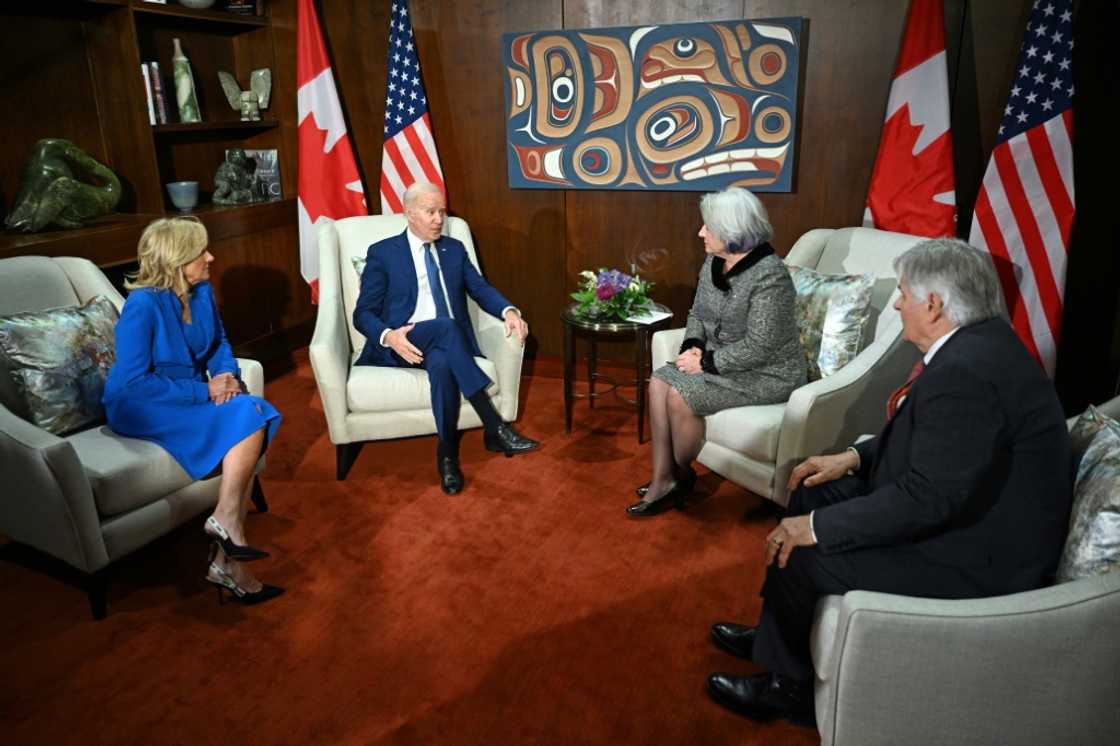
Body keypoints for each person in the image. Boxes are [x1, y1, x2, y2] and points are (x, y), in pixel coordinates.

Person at [705, 238, 1073, 724]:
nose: (898, 304)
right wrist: (853, 457)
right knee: (812, 488)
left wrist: (816, 528)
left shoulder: (967, 372)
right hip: (959, 512)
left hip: (974, 556)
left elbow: (928, 499)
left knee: (804, 552)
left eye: (903, 293)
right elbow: (937, 441)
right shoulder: (981, 343)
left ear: (934, 305)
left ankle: (788, 690)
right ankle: (777, 638)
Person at [103, 217, 283, 606]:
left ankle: (226, 542)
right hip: (141, 405)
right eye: (202, 251)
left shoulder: (201, 292)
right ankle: (228, 537)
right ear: (177, 258)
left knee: (252, 408)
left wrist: (226, 376)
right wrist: (204, 390)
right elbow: (134, 384)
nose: (211, 257)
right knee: (252, 413)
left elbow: (218, 343)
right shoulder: (142, 305)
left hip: (183, 396)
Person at [628, 187, 806, 516]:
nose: (701, 232)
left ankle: (679, 475)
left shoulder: (771, 276)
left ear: (731, 230)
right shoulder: (715, 261)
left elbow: (761, 345)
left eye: (708, 227)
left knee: (679, 396)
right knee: (659, 382)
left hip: (767, 373)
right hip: (722, 359)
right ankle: (663, 478)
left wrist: (707, 362)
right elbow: (697, 313)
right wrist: (694, 346)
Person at [353, 181, 539, 494]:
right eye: (431, 212)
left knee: (441, 362)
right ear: (410, 213)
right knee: (446, 327)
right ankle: (494, 426)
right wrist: (389, 336)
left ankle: (447, 455)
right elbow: (363, 313)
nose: (439, 219)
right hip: (404, 342)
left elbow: (480, 288)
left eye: (442, 212)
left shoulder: (453, 249)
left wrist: (508, 311)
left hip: (446, 345)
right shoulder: (383, 253)